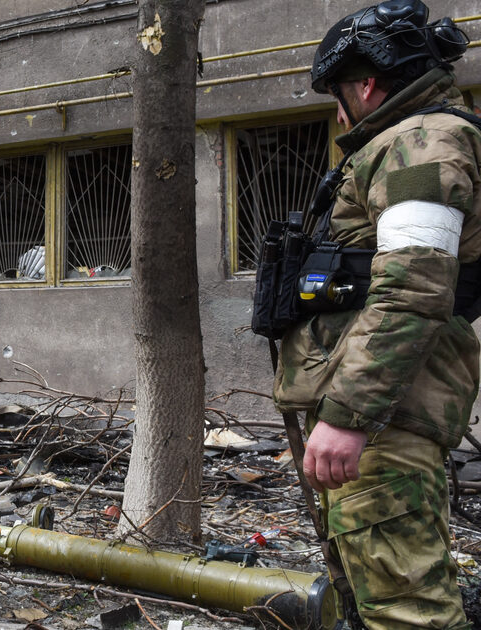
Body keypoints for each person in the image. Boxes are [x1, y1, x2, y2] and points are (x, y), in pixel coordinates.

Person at [274, 1, 475, 627]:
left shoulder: (422, 143)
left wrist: (350, 415)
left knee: (407, 610)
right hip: (375, 414)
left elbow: (413, 287)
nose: (338, 112)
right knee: (373, 597)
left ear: (365, 84)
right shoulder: (402, 144)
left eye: (339, 93)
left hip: (383, 420)